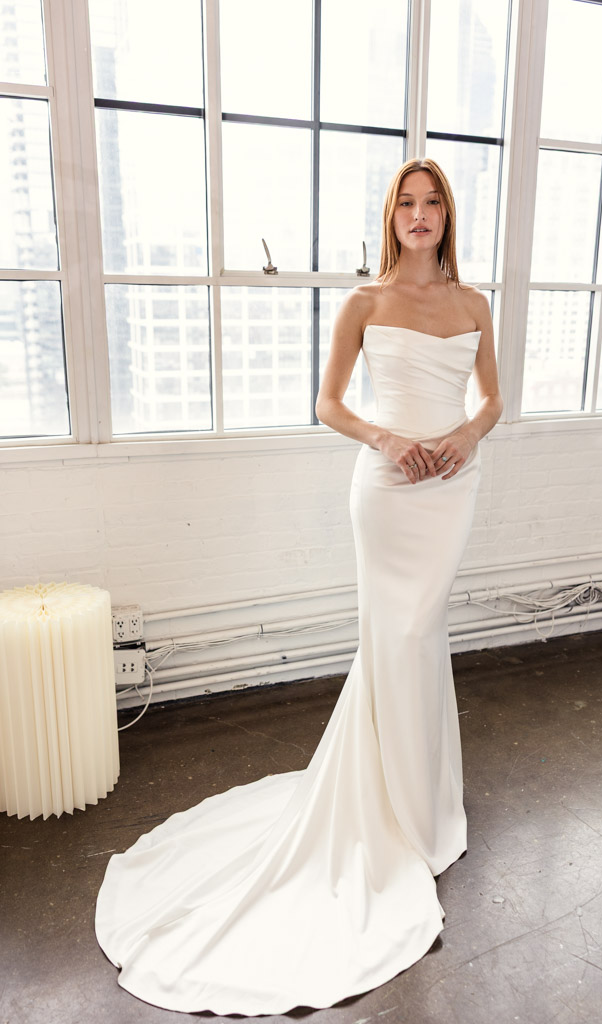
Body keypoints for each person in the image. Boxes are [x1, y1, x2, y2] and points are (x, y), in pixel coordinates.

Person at [95, 157, 503, 1016]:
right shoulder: (363, 303)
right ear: (390, 216)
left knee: (421, 637)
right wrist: (388, 442)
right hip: (389, 491)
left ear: (447, 216)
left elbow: (493, 399)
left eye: (433, 204)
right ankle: (387, 810)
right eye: (407, 204)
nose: (420, 215)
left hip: (452, 490)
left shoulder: (473, 304)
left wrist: (465, 436)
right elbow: (327, 403)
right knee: (391, 638)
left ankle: (424, 807)